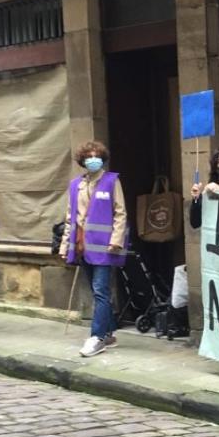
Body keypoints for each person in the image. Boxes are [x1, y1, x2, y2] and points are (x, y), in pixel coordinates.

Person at [62, 141, 127, 358]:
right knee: (97, 291)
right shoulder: (75, 185)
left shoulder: (111, 181)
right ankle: (109, 333)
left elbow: (120, 212)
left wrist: (116, 240)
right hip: (82, 247)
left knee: (100, 291)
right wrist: (65, 246)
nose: (93, 159)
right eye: (88, 156)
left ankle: (97, 337)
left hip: (105, 247)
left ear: (102, 159)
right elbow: (70, 218)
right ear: (82, 161)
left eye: (96, 155)